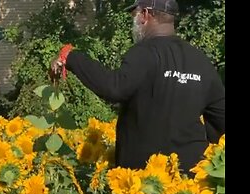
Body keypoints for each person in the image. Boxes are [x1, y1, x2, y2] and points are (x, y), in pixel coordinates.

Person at [51, 0, 225, 177]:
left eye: (134, 14)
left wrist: (71, 57)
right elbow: (221, 117)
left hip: (143, 181)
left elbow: (115, 87)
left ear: (146, 15)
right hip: (190, 180)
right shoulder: (200, 61)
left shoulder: (144, 53)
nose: (133, 21)